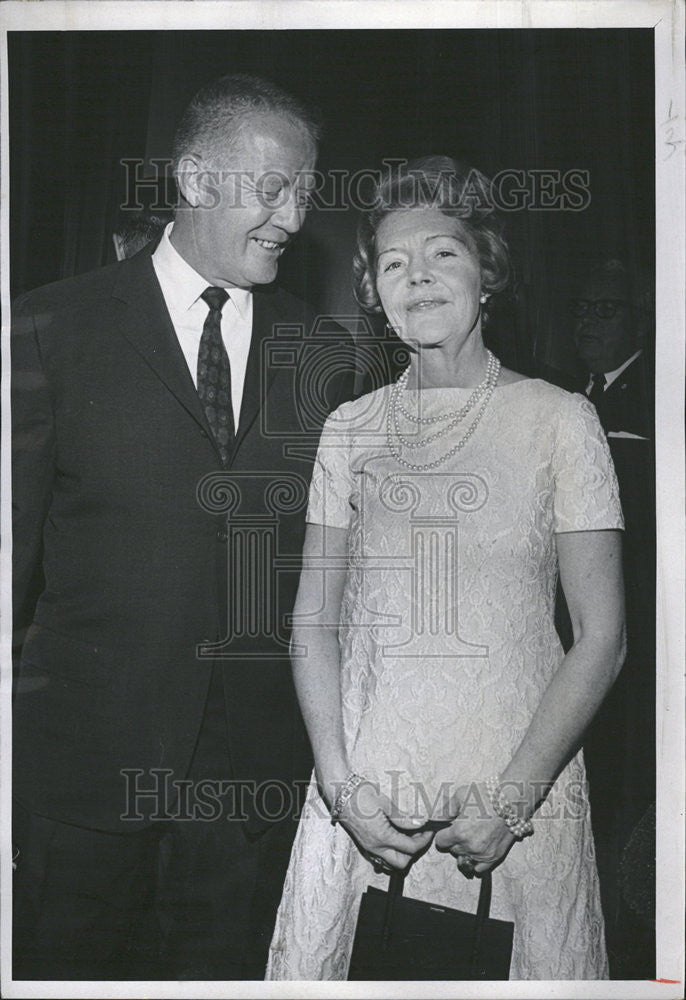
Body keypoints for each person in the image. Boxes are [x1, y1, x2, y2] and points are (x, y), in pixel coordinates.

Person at [11, 73, 356, 980]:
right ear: (197, 181)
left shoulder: (318, 352)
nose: (293, 216)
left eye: (307, 194)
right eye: (274, 188)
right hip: (81, 767)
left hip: (248, 775)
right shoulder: (52, 325)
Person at [266, 156, 626, 980]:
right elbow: (312, 623)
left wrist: (513, 801)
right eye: (394, 263)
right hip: (366, 803)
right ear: (373, 290)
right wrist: (342, 789)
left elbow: (602, 639)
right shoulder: (348, 430)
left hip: (512, 804)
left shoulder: (562, 422)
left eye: (443, 255)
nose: (417, 278)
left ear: (488, 272)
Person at [571, 258, 655, 977]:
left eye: (606, 310)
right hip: (576, 620)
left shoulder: (652, 399)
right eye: (583, 312)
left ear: (639, 321)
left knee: (624, 776)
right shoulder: (574, 396)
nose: (589, 324)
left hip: (637, 627)